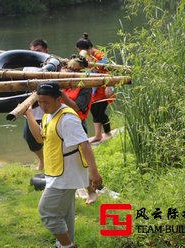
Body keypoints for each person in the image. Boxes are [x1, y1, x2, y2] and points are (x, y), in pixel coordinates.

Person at [25, 82, 102, 248]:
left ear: (59, 99)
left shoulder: (68, 118)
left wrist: (94, 173)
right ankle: (64, 244)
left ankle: (68, 246)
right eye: (40, 101)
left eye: (46, 102)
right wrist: (29, 115)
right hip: (56, 171)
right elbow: (40, 138)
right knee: (64, 214)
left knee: (47, 212)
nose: (43, 106)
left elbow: (84, 144)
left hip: (67, 174)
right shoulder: (48, 116)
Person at [60, 57, 98, 204]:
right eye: (70, 68)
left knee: (80, 160)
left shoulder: (85, 86)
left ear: (83, 70)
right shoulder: (63, 80)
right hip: (59, 125)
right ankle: (70, 192)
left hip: (76, 124)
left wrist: (61, 93)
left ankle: (91, 192)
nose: (72, 72)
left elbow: (77, 107)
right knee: (63, 160)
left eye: (76, 70)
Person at [76, 32, 114, 143]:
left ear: (85, 49)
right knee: (95, 110)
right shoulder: (87, 56)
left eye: (79, 50)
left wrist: (109, 86)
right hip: (94, 88)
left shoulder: (100, 55)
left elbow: (109, 69)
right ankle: (102, 134)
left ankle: (102, 134)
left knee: (99, 111)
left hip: (103, 87)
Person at [22, 39, 49, 170]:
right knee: (30, 139)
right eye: (32, 52)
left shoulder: (51, 65)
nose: (35, 54)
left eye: (38, 51)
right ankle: (43, 159)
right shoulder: (27, 66)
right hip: (31, 110)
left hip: (47, 111)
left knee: (50, 138)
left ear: (46, 51)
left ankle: (52, 162)